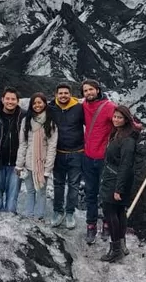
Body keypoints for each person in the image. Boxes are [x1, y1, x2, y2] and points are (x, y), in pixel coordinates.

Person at [99, 106, 139, 263]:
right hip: (114, 177)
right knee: (119, 211)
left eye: (120, 117)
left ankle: (115, 250)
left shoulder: (127, 140)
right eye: (114, 117)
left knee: (110, 213)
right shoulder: (119, 133)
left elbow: (126, 165)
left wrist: (118, 188)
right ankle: (121, 246)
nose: (116, 119)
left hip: (116, 180)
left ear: (127, 119)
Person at [80, 79, 116, 244]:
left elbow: (123, 118)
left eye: (91, 90)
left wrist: (136, 128)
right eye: (85, 91)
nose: (88, 93)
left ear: (98, 90)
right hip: (88, 157)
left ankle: (107, 224)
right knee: (90, 193)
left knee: (106, 193)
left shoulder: (108, 107)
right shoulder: (84, 106)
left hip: (104, 158)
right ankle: (91, 225)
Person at [16, 93, 58, 220]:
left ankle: (39, 216)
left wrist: (47, 168)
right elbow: (23, 143)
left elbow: (52, 147)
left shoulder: (50, 122)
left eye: (40, 102)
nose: (37, 105)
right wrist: (19, 164)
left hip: (42, 164)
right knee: (30, 191)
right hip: (28, 163)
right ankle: (29, 216)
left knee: (41, 192)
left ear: (45, 103)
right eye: (34, 103)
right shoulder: (26, 120)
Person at [49, 83, 85, 229]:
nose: (63, 95)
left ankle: (70, 212)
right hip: (58, 153)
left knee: (74, 185)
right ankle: (58, 211)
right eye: (60, 93)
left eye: (66, 93)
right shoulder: (51, 108)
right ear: (56, 94)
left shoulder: (79, 108)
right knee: (58, 184)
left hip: (76, 153)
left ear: (70, 94)